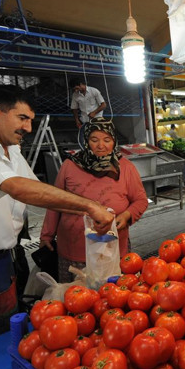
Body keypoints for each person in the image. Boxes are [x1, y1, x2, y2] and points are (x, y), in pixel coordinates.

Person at [0, 85, 115, 346]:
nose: (29, 128)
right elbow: (18, 188)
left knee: (13, 331)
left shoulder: (13, 151)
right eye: (22, 118)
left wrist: (93, 209)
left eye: (31, 120)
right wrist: (89, 207)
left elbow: (41, 193)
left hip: (7, 258)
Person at [40, 118, 148, 282]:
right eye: (94, 140)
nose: (100, 145)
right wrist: (46, 235)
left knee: (112, 298)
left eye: (107, 140)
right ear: (86, 141)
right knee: (76, 299)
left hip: (112, 249)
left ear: (114, 141)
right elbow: (55, 202)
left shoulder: (125, 167)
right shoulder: (70, 166)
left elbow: (140, 200)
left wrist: (127, 216)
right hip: (74, 250)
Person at [70, 77, 107, 144]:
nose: (76, 90)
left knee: (97, 139)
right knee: (84, 140)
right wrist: (77, 120)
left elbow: (103, 105)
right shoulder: (75, 95)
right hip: (84, 120)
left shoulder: (94, 91)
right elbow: (74, 108)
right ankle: (87, 153)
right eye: (74, 89)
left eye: (77, 88)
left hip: (97, 120)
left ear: (81, 84)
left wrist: (94, 112)